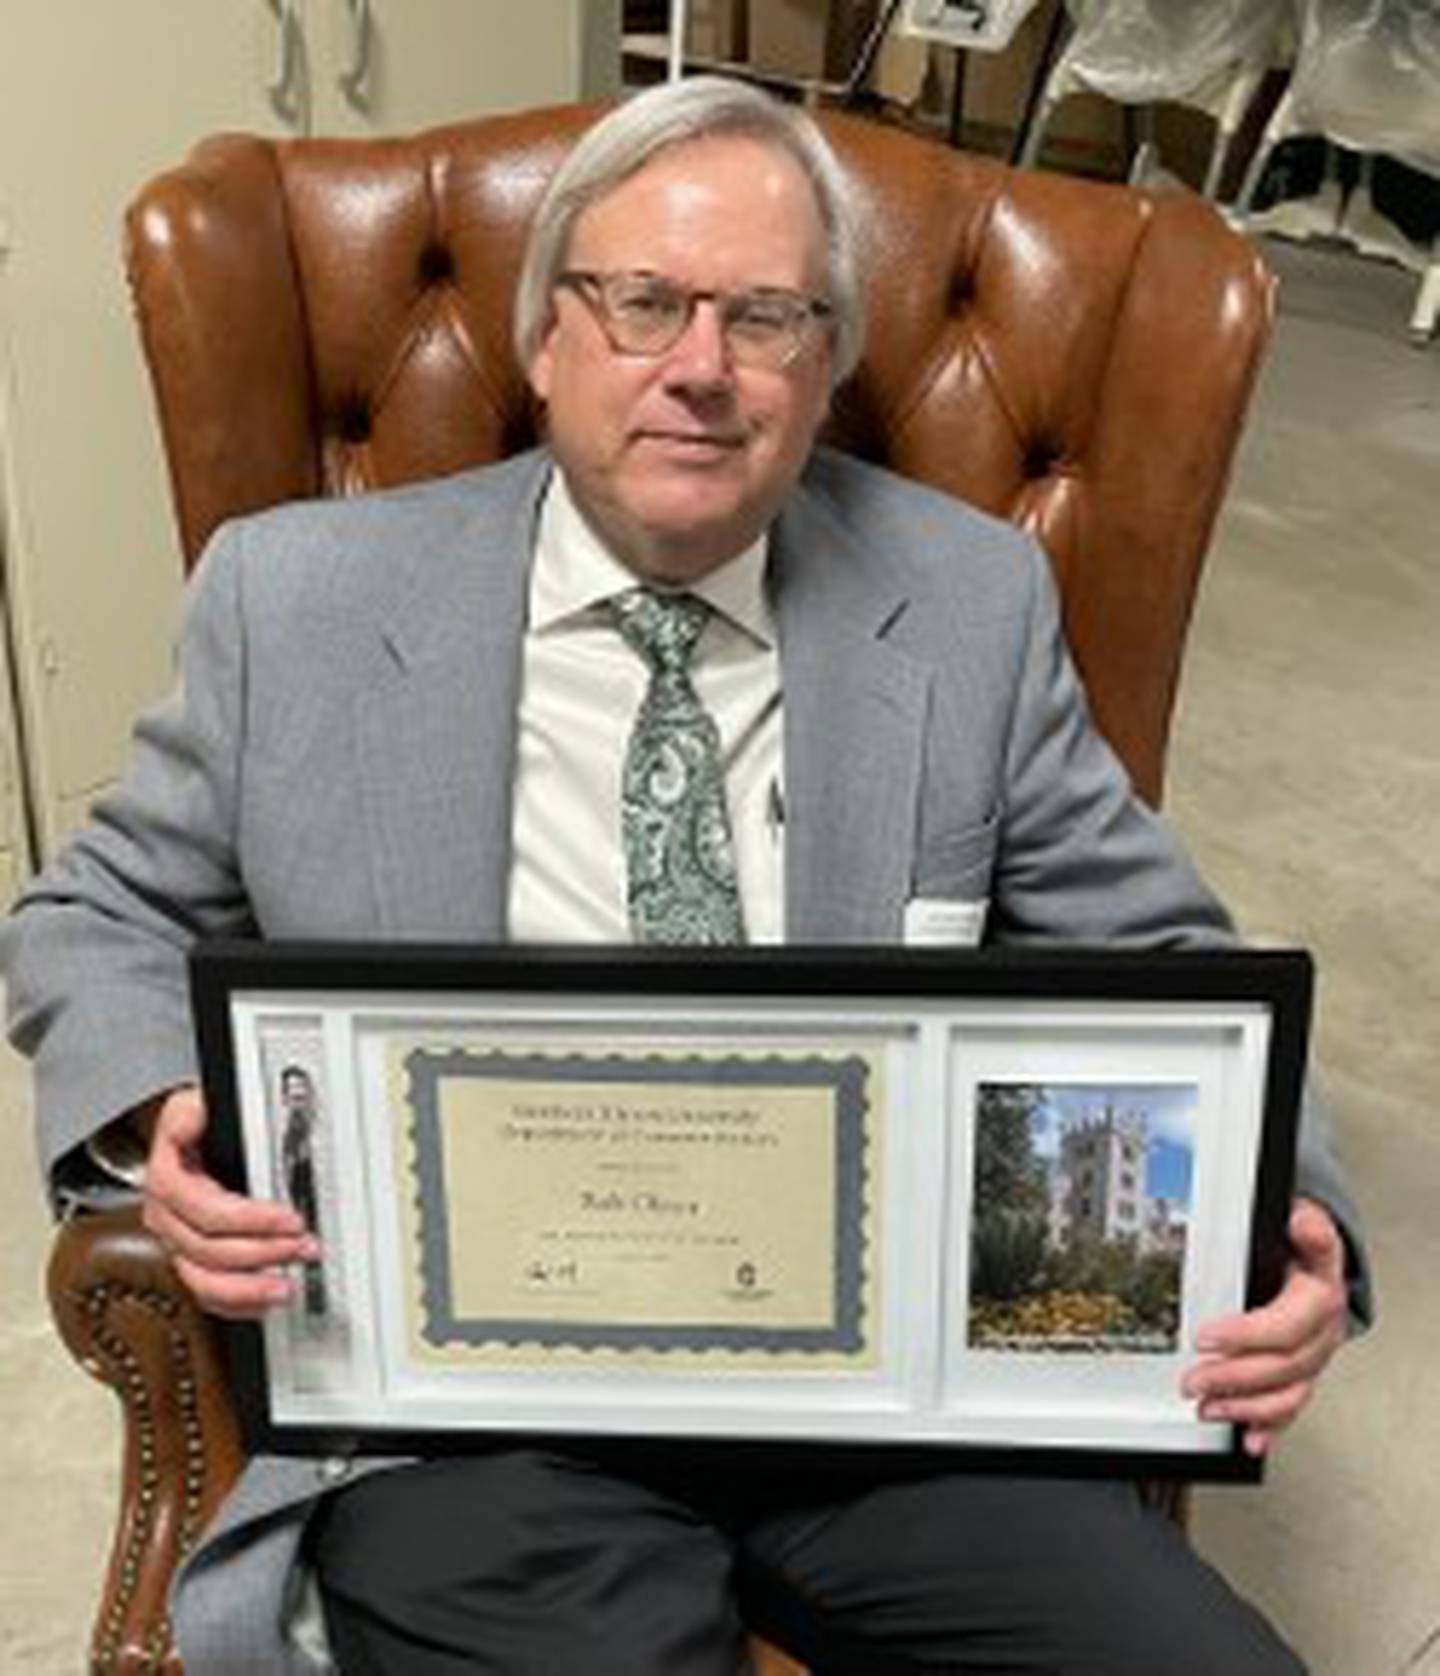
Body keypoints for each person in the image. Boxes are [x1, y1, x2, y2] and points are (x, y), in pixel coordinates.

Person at [3, 76, 1367, 1675]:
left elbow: (1170, 963)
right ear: (546, 338)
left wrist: (1287, 1207)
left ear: (829, 359)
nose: (701, 370)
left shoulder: (969, 603)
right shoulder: (295, 602)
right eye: (644, 302)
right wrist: (165, 1110)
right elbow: (92, 915)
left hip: (891, 1403)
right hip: (478, 1411)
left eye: (768, 316)